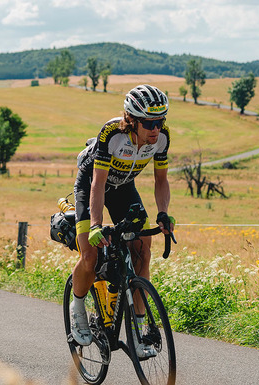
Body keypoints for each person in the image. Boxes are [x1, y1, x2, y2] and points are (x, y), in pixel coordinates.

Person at [70, 84, 175, 357]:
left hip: (124, 187)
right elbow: (98, 183)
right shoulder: (113, 134)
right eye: (149, 122)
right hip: (92, 183)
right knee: (90, 255)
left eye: (160, 121)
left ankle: (139, 333)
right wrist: (95, 225)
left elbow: (161, 180)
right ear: (131, 120)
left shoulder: (161, 138)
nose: (156, 128)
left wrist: (162, 213)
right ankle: (77, 306)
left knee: (142, 251)